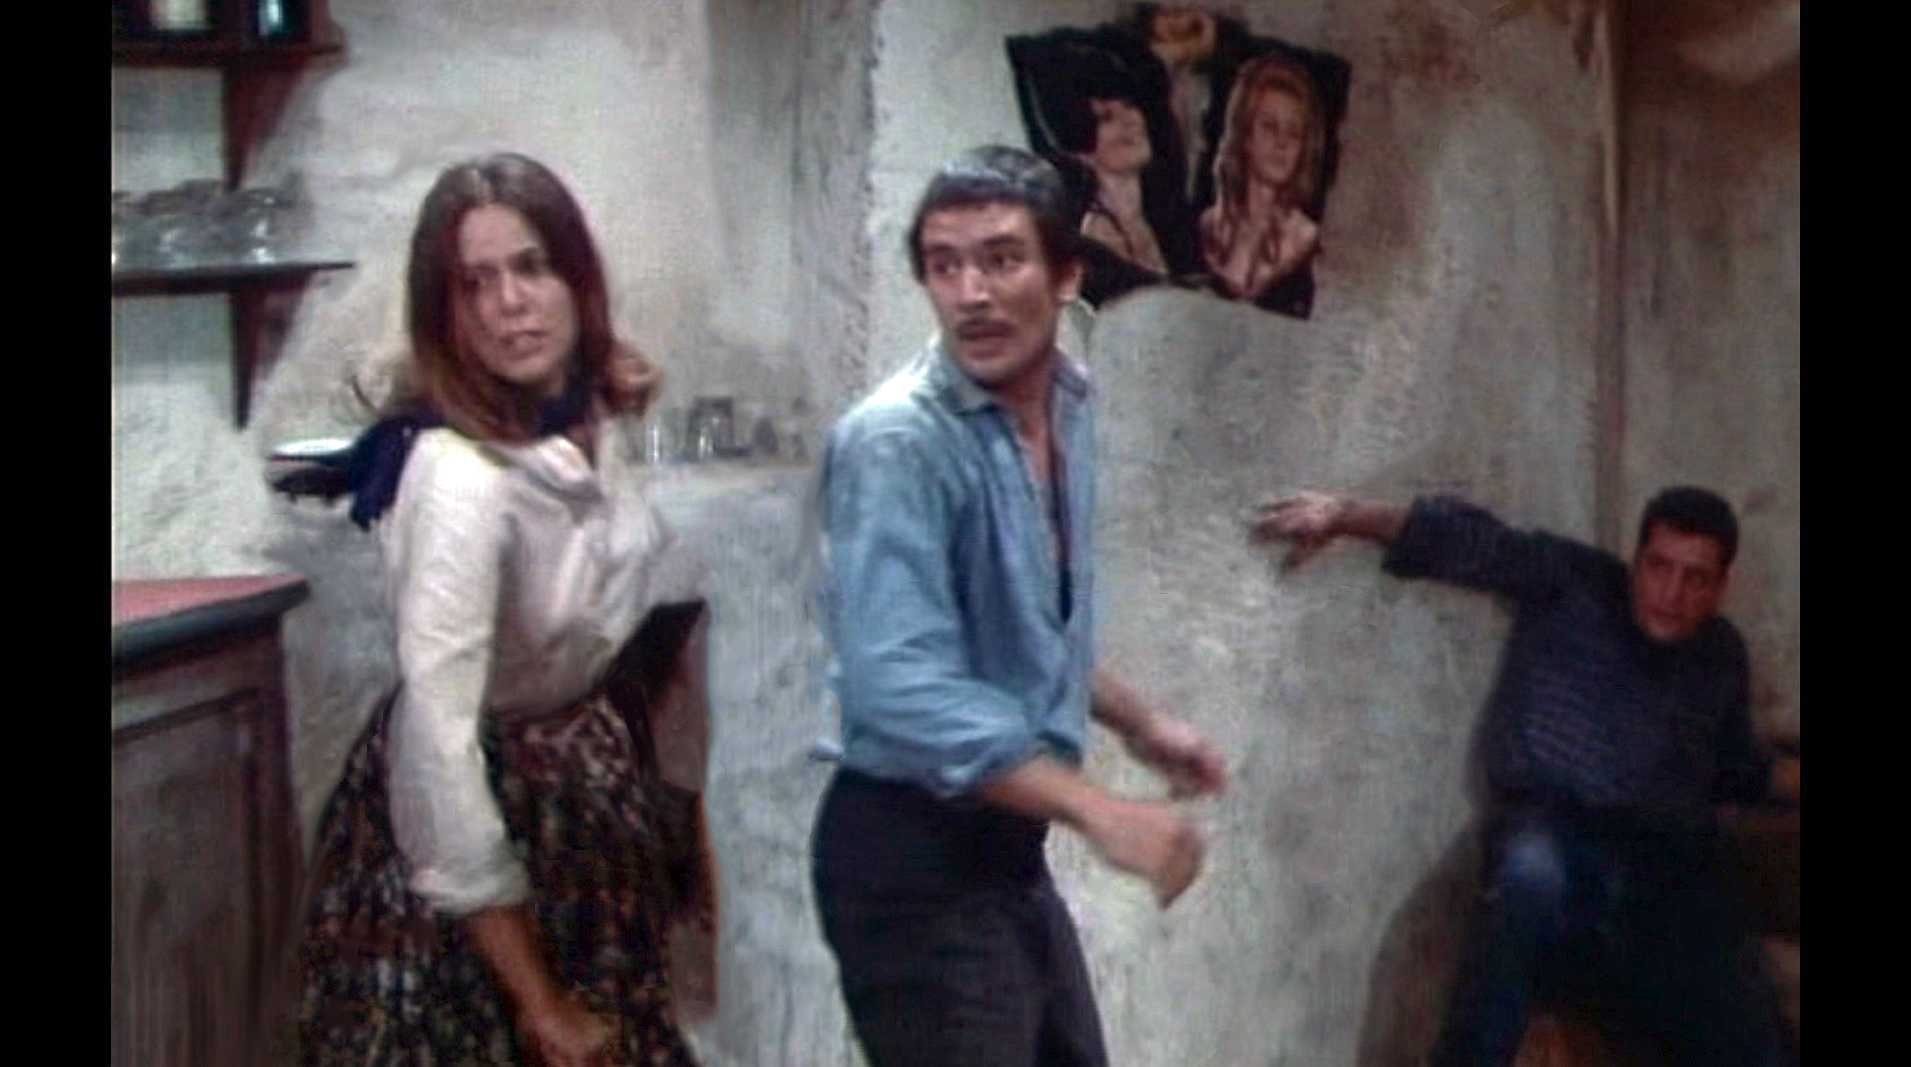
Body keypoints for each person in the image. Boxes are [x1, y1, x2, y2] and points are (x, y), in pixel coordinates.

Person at [293, 152, 717, 1067]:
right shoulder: (459, 476)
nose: (507, 305)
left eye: (530, 267)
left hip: (581, 813)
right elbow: (436, 742)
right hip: (480, 855)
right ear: (443, 312)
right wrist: (537, 999)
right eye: (473, 283)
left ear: (577, 280)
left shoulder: (580, 418)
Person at [810, 145, 1229, 1067]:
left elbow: (1025, 621)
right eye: (944, 265)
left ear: (1065, 274)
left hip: (1003, 854)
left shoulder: (1065, 405)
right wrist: (1098, 810)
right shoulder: (898, 443)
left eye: (1000, 260)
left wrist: (1139, 721)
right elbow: (900, 686)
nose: (970, 293)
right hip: (910, 858)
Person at [1251, 487, 1801, 1066]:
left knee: (1746, 1022)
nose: (1670, 593)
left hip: (1663, 872)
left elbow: (1737, 767)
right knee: (1529, 878)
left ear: (1721, 586)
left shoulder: (1720, 654)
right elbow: (1471, 542)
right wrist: (1344, 516)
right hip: (1554, 839)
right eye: (1658, 567)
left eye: (1694, 578)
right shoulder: (1575, 582)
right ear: (1637, 559)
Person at [1198, 53, 1326, 316]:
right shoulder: (1208, 226)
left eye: (1294, 132)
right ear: (1245, 134)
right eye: (1269, 126)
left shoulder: (1307, 239)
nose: (1282, 143)